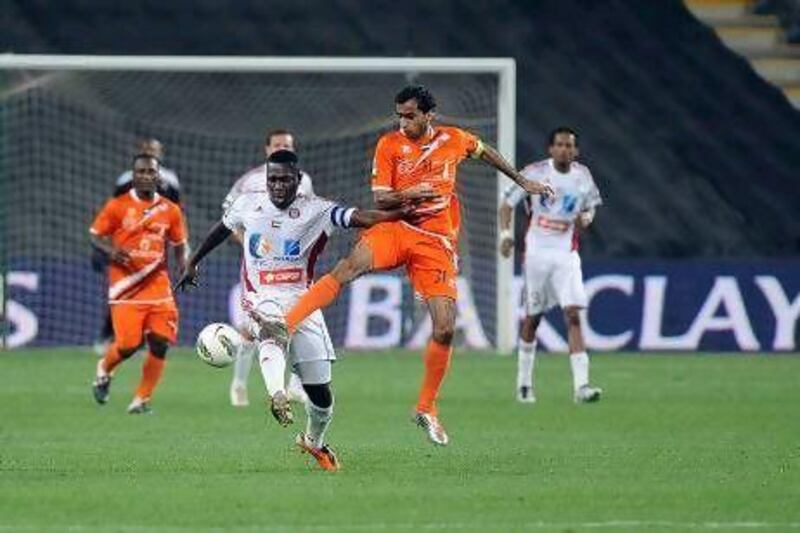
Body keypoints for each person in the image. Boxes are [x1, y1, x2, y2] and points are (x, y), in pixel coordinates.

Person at [279, 85, 553, 446]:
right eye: (400, 115)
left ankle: (426, 408)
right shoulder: (389, 145)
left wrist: (520, 179)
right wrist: (410, 194)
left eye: (410, 115)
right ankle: (284, 326)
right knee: (349, 267)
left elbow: (484, 151)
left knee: (444, 326)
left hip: (436, 242)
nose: (403, 121)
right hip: (396, 227)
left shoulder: (454, 140)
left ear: (429, 115)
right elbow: (381, 197)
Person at [175, 150, 411, 472]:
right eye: (273, 179)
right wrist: (193, 261)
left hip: (303, 300)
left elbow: (359, 217)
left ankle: (314, 442)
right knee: (271, 329)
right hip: (261, 295)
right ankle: (278, 394)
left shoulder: (316, 209)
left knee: (322, 396)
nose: (278, 185)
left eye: (285, 179)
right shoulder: (248, 203)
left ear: (298, 181)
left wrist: (399, 215)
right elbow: (222, 228)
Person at [499, 127, 603, 404]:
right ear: (550, 149)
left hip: (566, 254)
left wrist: (588, 218)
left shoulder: (583, 176)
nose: (564, 150)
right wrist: (506, 235)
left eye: (569, 146)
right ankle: (523, 384)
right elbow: (507, 204)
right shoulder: (534, 172)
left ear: (576, 151)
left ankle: (581, 387)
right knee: (533, 318)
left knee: (573, 314)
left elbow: (590, 207)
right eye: (559, 145)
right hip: (536, 254)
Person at [90, 153, 189, 414]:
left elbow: (180, 245)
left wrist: (187, 266)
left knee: (160, 342)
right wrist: (110, 252)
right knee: (128, 346)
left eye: (150, 172)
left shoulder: (171, 210)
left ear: (158, 177)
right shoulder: (117, 206)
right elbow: (95, 236)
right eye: (141, 172)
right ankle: (104, 368)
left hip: (159, 287)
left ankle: (141, 400)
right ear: (133, 176)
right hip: (125, 287)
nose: (146, 176)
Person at [223, 130, 312, 408]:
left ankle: (294, 386)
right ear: (266, 149)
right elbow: (228, 215)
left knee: (297, 323)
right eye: (277, 144)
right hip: (258, 267)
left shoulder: (304, 180)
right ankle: (238, 384)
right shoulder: (249, 181)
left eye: (287, 144)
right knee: (254, 328)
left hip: (292, 265)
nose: (282, 147)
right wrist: (250, 243)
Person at [92, 138, 182, 355]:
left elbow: (176, 211)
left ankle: (144, 341)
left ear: (161, 153)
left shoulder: (170, 179)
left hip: (156, 247)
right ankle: (107, 335)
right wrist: (104, 244)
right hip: (128, 243)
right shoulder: (125, 179)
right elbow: (114, 211)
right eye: (147, 149)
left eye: (155, 149)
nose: (152, 152)